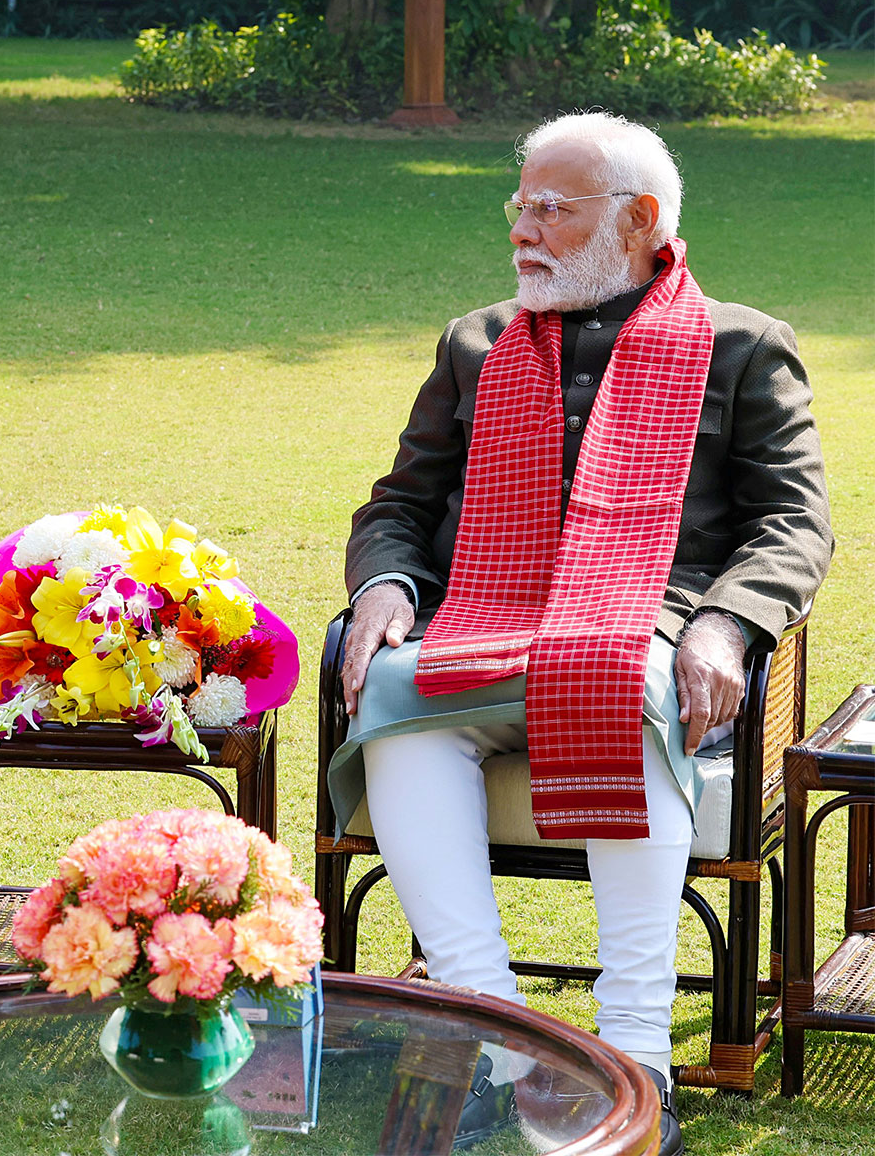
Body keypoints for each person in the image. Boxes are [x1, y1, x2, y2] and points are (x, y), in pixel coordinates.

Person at [330, 112, 832, 1156]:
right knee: (395, 699)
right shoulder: (475, 342)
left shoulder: (742, 346)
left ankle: (636, 1057)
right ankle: (496, 1043)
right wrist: (382, 583)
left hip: (644, 631)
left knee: (609, 679)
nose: (524, 225)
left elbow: (793, 524)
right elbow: (398, 505)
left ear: (641, 221)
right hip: (477, 620)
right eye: (521, 203)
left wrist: (725, 627)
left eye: (553, 208)